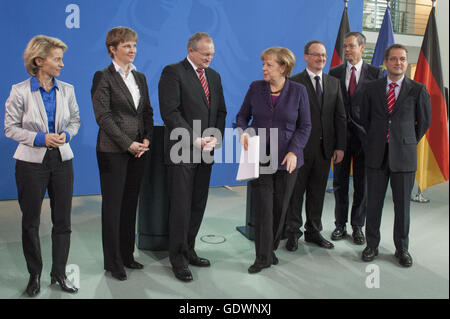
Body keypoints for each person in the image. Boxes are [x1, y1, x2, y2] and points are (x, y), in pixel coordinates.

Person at [4, 35, 80, 296]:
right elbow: (10, 128)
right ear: (39, 61)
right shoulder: (20, 90)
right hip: (30, 164)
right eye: (57, 59)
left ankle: (59, 273)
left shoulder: (67, 89)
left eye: (61, 59)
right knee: (31, 222)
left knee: (63, 221)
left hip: (62, 161)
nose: (62, 64)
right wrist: (39, 138)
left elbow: (76, 121)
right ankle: (34, 274)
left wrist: (66, 135)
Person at [158, 32, 227, 282]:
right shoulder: (173, 72)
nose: (210, 58)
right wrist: (194, 139)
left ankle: (189, 249)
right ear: (191, 51)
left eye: (212, 54)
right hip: (182, 150)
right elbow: (171, 112)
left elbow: (220, 111)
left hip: (206, 150)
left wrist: (214, 138)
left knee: (198, 203)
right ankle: (177, 259)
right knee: (181, 205)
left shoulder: (214, 76)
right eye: (205, 53)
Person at [236, 47, 311, 274]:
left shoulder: (299, 91)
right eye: (264, 64)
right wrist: (244, 132)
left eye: (268, 64)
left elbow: (305, 126)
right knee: (263, 209)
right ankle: (262, 257)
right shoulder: (255, 88)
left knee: (279, 210)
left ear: (283, 67)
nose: (263, 68)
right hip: (259, 157)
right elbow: (241, 117)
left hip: (287, 160)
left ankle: (270, 249)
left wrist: (294, 151)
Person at [91, 26, 154, 281]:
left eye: (135, 45)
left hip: (139, 150)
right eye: (127, 45)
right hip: (113, 151)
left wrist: (147, 138)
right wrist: (128, 143)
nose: (133, 50)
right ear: (112, 49)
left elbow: (147, 111)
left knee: (130, 205)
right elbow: (103, 117)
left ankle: (128, 255)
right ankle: (113, 261)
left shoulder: (140, 77)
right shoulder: (102, 77)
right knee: (113, 207)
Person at [360, 44, 431, 267]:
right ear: (386, 62)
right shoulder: (371, 88)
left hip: (404, 157)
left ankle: (402, 249)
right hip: (376, 155)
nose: (397, 63)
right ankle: (371, 245)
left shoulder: (417, 89)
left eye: (402, 59)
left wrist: (404, 140)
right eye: (393, 59)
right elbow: (364, 118)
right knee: (373, 204)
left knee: (402, 207)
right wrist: (378, 139)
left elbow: (424, 122)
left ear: (405, 62)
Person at [285, 40, 347, 251]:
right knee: (295, 193)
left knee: (317, 193)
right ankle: (293, 232)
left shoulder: (333, 83)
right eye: (316, 55)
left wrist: (340, 146)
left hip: (324, 151)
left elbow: (340, 117)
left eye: (323, 55)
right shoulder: (293, 82)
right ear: (306, 56)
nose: (321, 58)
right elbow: (289, 119)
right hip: (300, 150)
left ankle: (313, 231)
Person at [329, 32, 382, 245]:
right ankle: (340, 225)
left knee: (362, 185)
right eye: (345, 46)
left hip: (365, 141)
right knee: (340, 184)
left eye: (351, 46)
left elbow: (378, 109)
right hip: (340, 140)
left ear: (362, 47)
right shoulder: (334, 72)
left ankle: (357, 226)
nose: (347, 50)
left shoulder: (376, 73)